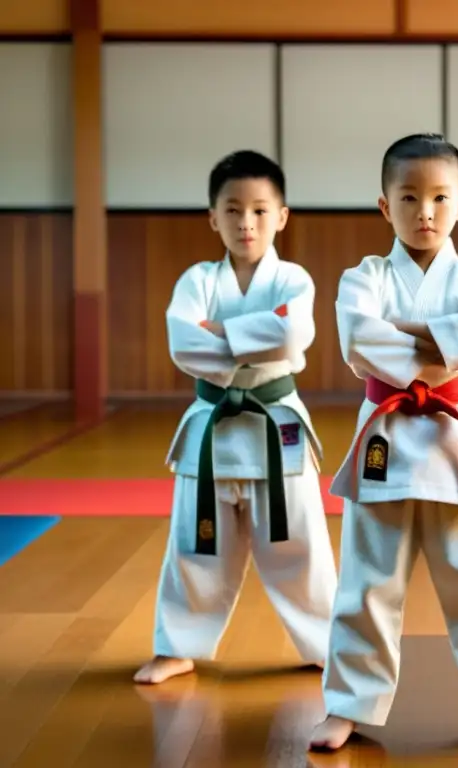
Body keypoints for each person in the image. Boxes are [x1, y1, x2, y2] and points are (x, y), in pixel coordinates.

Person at [310, 134, 458, 753]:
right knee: (367, 582)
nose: (425, 211)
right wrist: (446, 340)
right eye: (409, 196)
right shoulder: (362, 276)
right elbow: (359, 342)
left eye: (440, 197)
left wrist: (411, 332)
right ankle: (348, 703)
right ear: (383, 206)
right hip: (385, 438)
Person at [134, 150, 338, 685]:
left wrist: (220, 331)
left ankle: (327, 645)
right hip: (212, 425)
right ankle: (177, 646)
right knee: (196, 542)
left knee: (300, 542)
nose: (246, 223)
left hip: (277, 423)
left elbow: (293, 335)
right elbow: (183, 343)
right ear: (213, 216)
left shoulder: (294, 280)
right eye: (232, 210)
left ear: (282, 216)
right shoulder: (196, 280)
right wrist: (256, 332)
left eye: (259, 210)